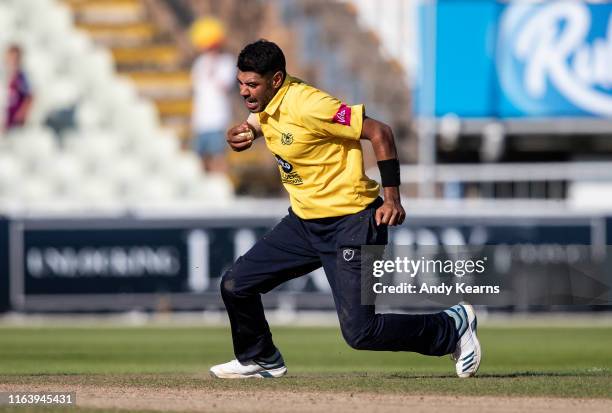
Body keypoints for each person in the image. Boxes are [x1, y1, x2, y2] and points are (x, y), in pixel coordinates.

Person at [210, 40, 481, 379]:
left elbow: (380, 132)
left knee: (360, 333)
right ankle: (260, 357)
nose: (245, 92)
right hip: (304, 224)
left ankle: (451, 326)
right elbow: (269, 120)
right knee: (236, 285)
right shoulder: (268, 102)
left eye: (252, 85)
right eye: (241, 84)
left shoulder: (313, 104)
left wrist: (393, 197)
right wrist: (250, 129)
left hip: (352, 221)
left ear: (276, 80)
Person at [190, 17, 235, 173]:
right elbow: (197, 89)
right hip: (201, 119)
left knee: (218, 155)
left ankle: (222, 183)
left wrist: (213, 68)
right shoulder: (199, 63)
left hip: (218, 118)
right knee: (199, 157)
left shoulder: (226, 62)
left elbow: (224, 85)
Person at [3, 45, 32, 132]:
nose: (11, 61)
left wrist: (21, 115)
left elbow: (29, 96)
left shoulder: (21, 76)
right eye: (10, 57)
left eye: (15, 58)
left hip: (13, 123)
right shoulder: (6, 74)